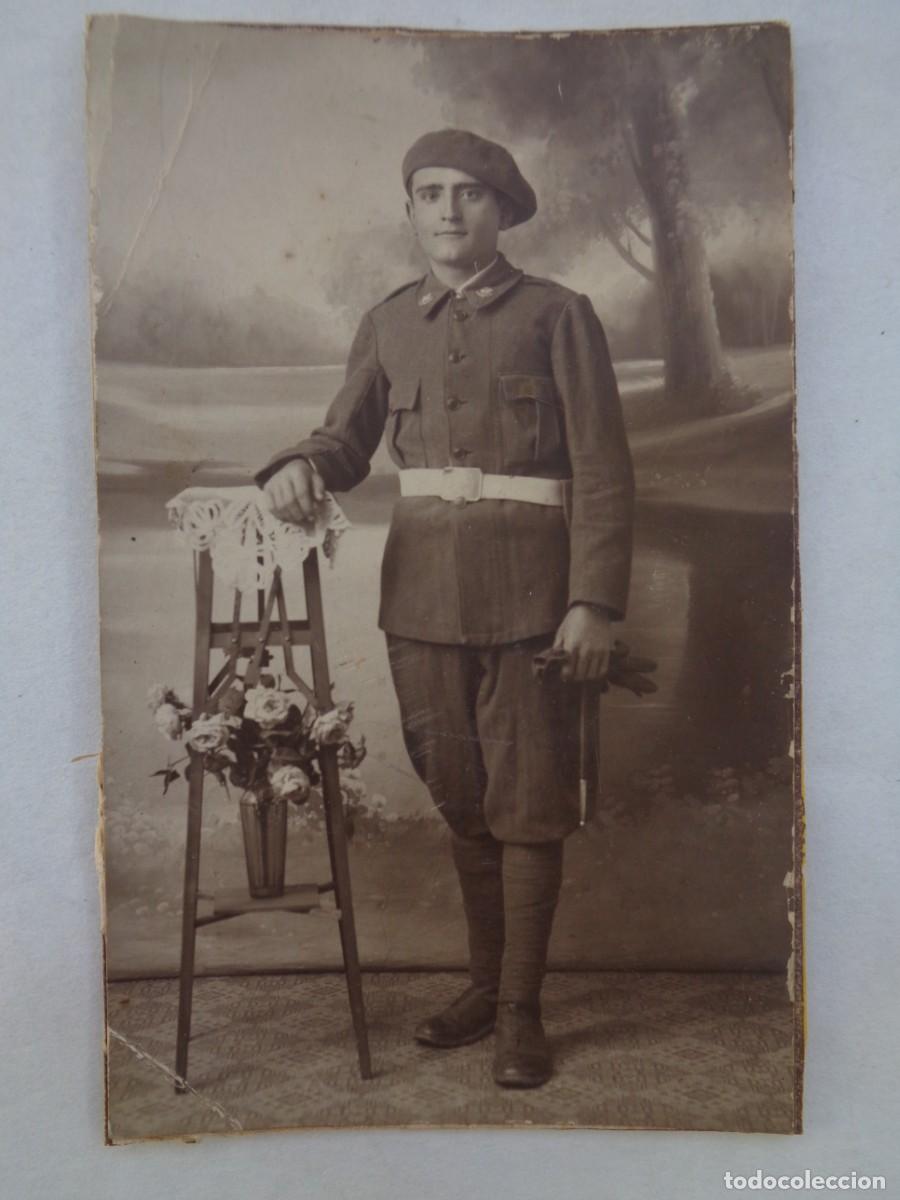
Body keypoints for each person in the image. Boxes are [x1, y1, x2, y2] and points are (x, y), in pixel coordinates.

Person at [256, 128, 635, 1088]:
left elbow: (603, 468)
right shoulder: (389, 323)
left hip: (534, 602)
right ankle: (484, 985)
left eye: (469, 193)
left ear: (502, 210)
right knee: (462, 799)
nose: (449, 210)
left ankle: (520, 1013)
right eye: (431, 194)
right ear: (412, 211)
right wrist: (298, 465)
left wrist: (594, 601)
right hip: (420, 600)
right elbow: (345, 440)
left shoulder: (558, 315)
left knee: (528, 806)